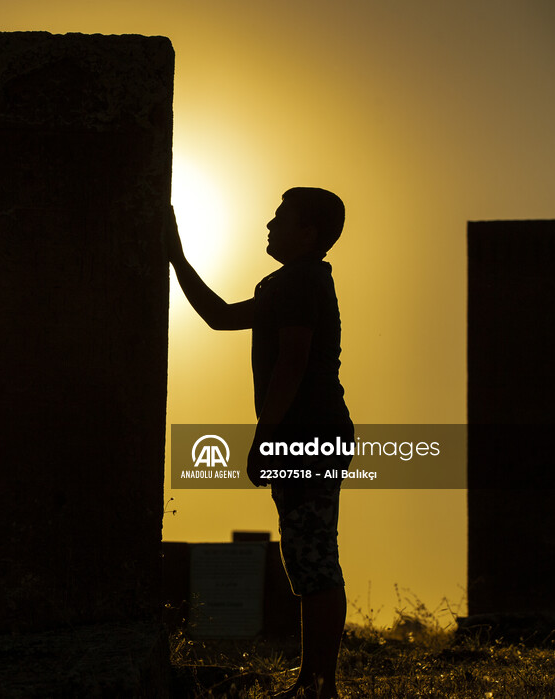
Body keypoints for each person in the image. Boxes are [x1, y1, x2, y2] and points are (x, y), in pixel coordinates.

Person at [167, 187, 352, 699]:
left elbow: (293, 362)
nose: (269, 226)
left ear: (308, 232)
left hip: (307, 435)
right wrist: (177, 257)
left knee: (312, 558)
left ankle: (318, 685)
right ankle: (315, 682)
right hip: (309, 434)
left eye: (280, 218)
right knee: (307, 554)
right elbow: (221, 316)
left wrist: (262, 438)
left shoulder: (299, 281)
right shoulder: (291, 282)